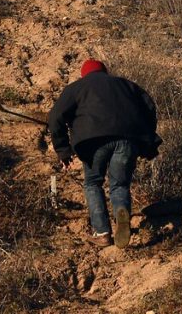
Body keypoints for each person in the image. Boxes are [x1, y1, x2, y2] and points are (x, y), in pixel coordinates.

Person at [47, 60, 159, 248]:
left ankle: (102, 233)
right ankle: (121, 212)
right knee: (120, 184)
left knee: (93, 184)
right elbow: (149, 107)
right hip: (127, 140)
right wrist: (146, 138)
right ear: (105, 72)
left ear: (84, 74)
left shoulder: (77, 88)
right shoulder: (126, 85)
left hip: (92, 141)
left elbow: (54, 117)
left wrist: (63, 150)